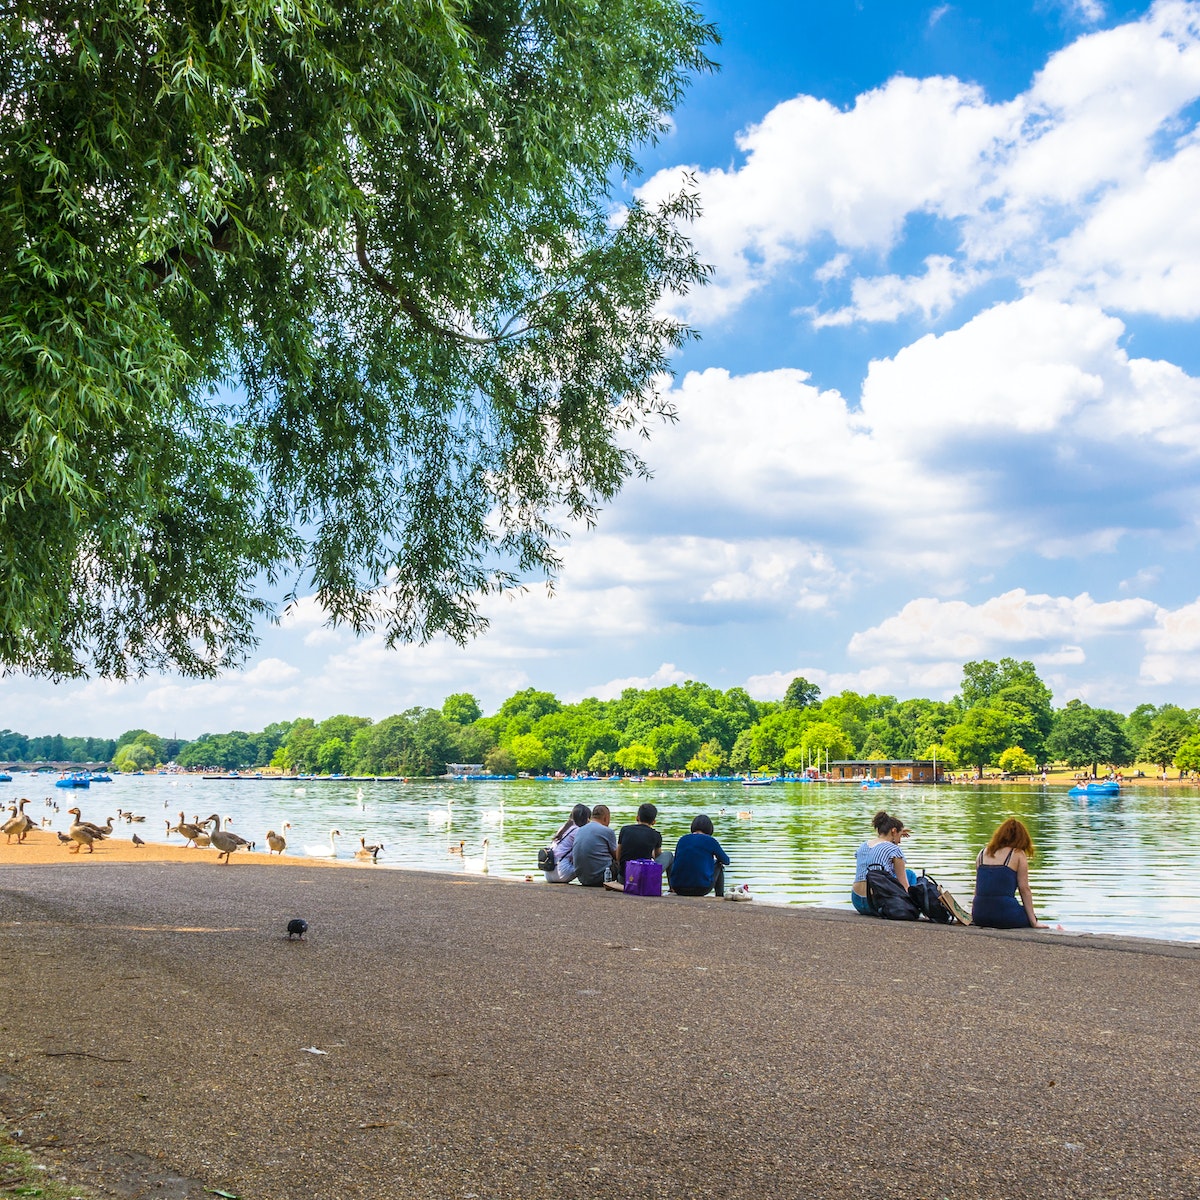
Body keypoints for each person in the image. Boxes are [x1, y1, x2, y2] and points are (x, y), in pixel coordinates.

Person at [972, 817, 1048, 929]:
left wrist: (974, 914)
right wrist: (1034, 922)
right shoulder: (1017, 854)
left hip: (980, 915)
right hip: (1005, 914)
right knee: (1027, 915)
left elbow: (978, 890)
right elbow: (1024, 889)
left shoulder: (982, 853)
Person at [850, 810, 916, 915]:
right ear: (893, 831)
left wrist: (897, 834)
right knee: (910, 874)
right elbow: (904, 886)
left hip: (857, 901)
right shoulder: (894, 849)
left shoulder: (863, 846)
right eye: (900, 837)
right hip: (875, 904)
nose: (900, 841)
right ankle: (910, 907)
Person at [670, 814, 730, 897]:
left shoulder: (682, 839)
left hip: (678, 888)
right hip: (701, 889)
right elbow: (726, 861)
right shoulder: (710, 840)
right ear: (709, 828)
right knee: (719, 864)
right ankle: (719, 896)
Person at [616, 802, 673, 884]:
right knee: (669, 855)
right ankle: (672, 888)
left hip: (624, 878)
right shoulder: (656, 835)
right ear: (654, 822)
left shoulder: (625, 830)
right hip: (643, 879)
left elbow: (618, 854)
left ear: (637, 818)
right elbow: (658, 856)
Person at [543, 803, 591, 884]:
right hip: (562, 873)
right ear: (586, 819)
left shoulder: (563, 828)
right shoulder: (579, 831)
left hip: (548, 873)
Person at [572, 804, 617, 887]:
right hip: (600, 878)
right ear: (606, 818)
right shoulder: (607, 831)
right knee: (623, 860)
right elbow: (617, 856)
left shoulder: (580, 830)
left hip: (582, 878)